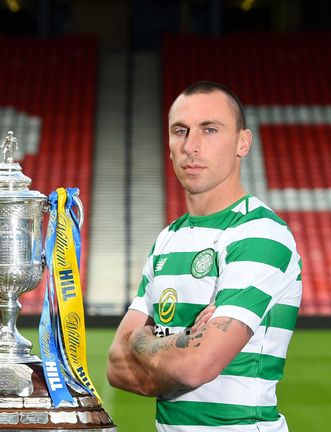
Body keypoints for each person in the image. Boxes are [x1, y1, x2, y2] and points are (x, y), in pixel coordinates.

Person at [106, 81, 302, 431]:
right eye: (180, 131)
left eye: (209, 130)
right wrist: (181, 344)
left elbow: (195, 367)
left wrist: (143, 341)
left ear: (243, 142)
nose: (190, 146)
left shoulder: (260, 234)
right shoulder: (168, 239)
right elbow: (117, 366)